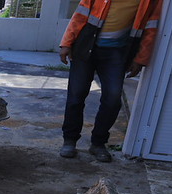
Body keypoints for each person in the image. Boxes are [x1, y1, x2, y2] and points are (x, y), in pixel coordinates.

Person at [58, 0, 163, 162]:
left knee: (113, 99)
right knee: (76, 95)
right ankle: (70, 140)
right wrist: (66, 43)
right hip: (86, 47)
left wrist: (141, 58)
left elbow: (151, 27)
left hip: (117, 53)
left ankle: (98, 143)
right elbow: (80, 15)